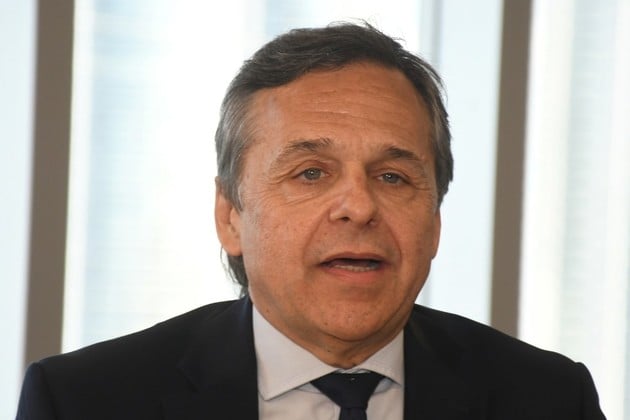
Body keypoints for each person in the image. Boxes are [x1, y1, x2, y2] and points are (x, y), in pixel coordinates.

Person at [16, 22, 605, 420]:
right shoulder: (84, 402)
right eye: (311, 173)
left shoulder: (550, 400)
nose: (359, 206)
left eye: (393, 177)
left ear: (434, 224)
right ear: (230, 216)